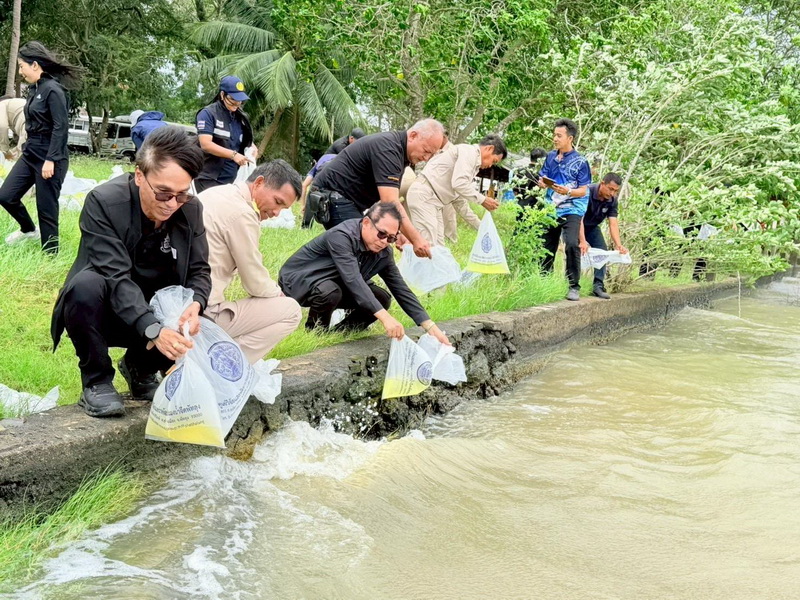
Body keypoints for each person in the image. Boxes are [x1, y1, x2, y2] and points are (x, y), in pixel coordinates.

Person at [50, 126, 210, 418]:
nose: (172, 204)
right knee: (85, 286)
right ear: (139, 176)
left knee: (184, 303)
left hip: (152, 303)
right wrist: (154, 330)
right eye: (163, 193)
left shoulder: (191, 210)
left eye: (181, 195)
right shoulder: (104, 202)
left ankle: (140, 368)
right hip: (106, 307)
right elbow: (115, 276)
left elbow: (199, 269)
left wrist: (196, 303)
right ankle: (96, 381)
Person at [279, 202, 450, 345]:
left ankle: (340, 334)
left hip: (334, 281)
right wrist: (386, 318)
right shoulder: (342, 236)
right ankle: (316, 333)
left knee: (382, 298)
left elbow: (400, 289)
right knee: (330, 291)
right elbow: (353, 279)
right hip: (299, 279)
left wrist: (430, 327)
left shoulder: (384, 253)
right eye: (381, 233)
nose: (384, 241)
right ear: (366, 222)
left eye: (391, 238)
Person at [199, 160, 303, 362]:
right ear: (259, 183)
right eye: (278, 202)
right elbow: (254, 281)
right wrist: (278, 294)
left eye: (283, 208)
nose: (276, 213)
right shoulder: (242, 213)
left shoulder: (216, 193)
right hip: (202, 313)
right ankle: (220, 365)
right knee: (291, 311)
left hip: (179, 300)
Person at [309, 118, 446, 257]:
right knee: (366, 250)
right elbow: (390, 202)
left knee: (379, 253)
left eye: (431, 155)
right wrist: (416, 239)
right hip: (333, 196)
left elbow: (384, 204)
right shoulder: (389, 149)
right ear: (413, 136)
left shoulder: (399, 151)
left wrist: (397, 232)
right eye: (426, 151)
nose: (426, 158)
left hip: (348, 200)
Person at [0, 42, 81, 253]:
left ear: (34, 65)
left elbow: (60, 127)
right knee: (6, 196)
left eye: (21, 66)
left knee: (46, 210)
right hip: (30, 154)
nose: (20, 72)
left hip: (50, 158)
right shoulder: (34, 89)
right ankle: (28, 230)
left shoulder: (53, 90)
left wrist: (51, 159)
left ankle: (50, 255)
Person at [406, 134, 507, 246]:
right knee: (428, 246)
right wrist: (483, 200)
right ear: (489, 149)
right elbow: (459, 184)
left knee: (439, 247)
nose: (491, 165)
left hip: (434, 201)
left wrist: (483, 227)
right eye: (494, 161)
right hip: (424, 194)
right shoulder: (469, 152)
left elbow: (461, 203)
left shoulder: (471, 165)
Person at [536, 118, 592, 301]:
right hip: (551, 207)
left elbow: (583, 190)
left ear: (570, 138)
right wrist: (542, 183)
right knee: (546, 246)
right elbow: (543, 177)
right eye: (554, 135)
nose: (555, 139)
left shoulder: (581, 162)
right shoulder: (550, 157)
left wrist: (567, 191)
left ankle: (573, 286)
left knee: (572, 244)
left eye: (559, 136)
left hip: (572, 208)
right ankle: (543, 283)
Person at [194, 76, 254, 193]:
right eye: (233, 99)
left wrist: (251, 147)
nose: (237, 104)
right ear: (222, 95)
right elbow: (205, 144)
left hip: (230, 179)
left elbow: (239, 138)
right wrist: (233, 155)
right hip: (208, 178)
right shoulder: (208, 114)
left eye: (240, 100)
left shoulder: (240, 117)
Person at [582, 173, 628, 299]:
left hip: (592, 227)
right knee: (574, 250)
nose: (612, 193)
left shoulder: (612, 200)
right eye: (610, 189)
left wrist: (618, 245)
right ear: (602, 183)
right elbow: (578, 217)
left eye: (615, 191)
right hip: (576, 224)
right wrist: (582, 240)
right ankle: (571, 284)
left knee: (602, 250)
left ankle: (598, 285)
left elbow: (613, 224)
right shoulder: (587, 192)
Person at [300, 153, 337, 228]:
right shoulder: (341, 157)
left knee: (313, 193)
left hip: (325, 167)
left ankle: (306, 225)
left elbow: (304, 185)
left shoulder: (317, 166)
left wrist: (303, 206)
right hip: (339, 168)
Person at [0, 95, 26, 160]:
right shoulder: (17, 103)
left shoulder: (1, 104)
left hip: (28, 124)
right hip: (43, 124)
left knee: (21, 159)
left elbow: (2, 127)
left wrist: (4, 151)